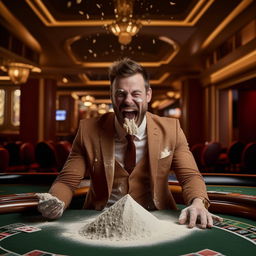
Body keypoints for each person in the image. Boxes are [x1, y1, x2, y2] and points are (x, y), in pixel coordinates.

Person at [37, 58, 222, 229]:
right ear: (111, 96)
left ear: (148, 95)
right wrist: (56, 200)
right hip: (102, 220)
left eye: (136, 94)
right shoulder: (88, 130)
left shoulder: (171, 129)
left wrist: (198, 202)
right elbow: (67, 181)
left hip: (157, 219)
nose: (128, 100)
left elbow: (190, 177)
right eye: (120, 94)